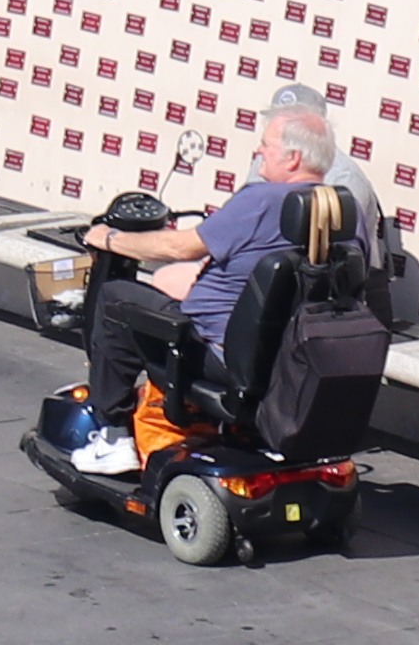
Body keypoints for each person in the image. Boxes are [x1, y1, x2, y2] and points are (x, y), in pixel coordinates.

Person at [74, 88, 373, 448]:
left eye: (266, 144)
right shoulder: (343, 214)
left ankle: (112, 435)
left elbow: (177, 246)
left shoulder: (260, 200)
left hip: (214, 353)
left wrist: (109, 239)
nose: (259, 150)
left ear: (293, 158)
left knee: (114, 297)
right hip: (288, 359)